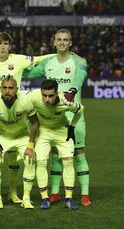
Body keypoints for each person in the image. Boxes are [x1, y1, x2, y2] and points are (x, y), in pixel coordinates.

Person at [0, 31, 53, 204]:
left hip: (14, 110)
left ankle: (13, 192)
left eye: (6, 43)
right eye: (0, 43)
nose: (3, 47)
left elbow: (39, 59)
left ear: (9, 46)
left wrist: (61, 54)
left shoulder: (19, 60)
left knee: (14, 157)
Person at [26, 29, 91, 206]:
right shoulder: (47, 62)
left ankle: (84, 194)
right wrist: (17, 64)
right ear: (53, 42)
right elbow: (28, 74)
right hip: (52, 118)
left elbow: (79, 78)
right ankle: (54, 193)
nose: (62, 42)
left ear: (70, 43)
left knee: (78, 153)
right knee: (55, 154)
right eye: (59, 40)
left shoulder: (79, 61)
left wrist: (72, 91)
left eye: (66, 40)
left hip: (73, 114)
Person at [0, 76, 38, 209]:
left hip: (21, 136)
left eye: (11, 88)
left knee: (30, 160)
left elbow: (35, 123)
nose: (7, 91)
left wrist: (30, 146)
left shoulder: (25, 101)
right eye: (5, 88)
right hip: (2, 136)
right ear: (0, 89)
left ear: (16, 89)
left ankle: (26, 198)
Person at [28, 79, 83, 210]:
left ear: (56, 93)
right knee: (41, 162)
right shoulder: (33, 96)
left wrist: (72, 127)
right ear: (41, 93)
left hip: (61, 131)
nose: (47, 99)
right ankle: (44, 198)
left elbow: (80, 110)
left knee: (68, 162)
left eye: (51, 96)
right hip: (44, 131)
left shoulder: (66, 101)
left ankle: (69, 198)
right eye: (44, 95)